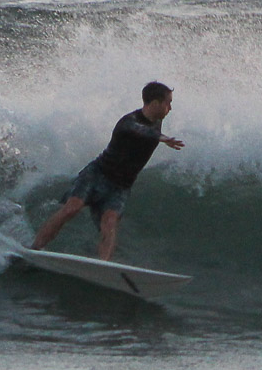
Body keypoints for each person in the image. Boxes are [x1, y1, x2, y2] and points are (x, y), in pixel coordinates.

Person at [30, 81, 185, 260]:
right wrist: (162, 138)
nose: (170, 108)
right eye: (168, 102)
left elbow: (149, 131)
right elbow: (140, 130)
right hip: (97, 174)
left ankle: (103, 266)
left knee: (109, 223)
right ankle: (35, 248)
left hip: (121, 186)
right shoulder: (128, 122)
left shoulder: (157, 122)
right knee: (71, 208)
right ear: (156, 103)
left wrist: (160, 136)